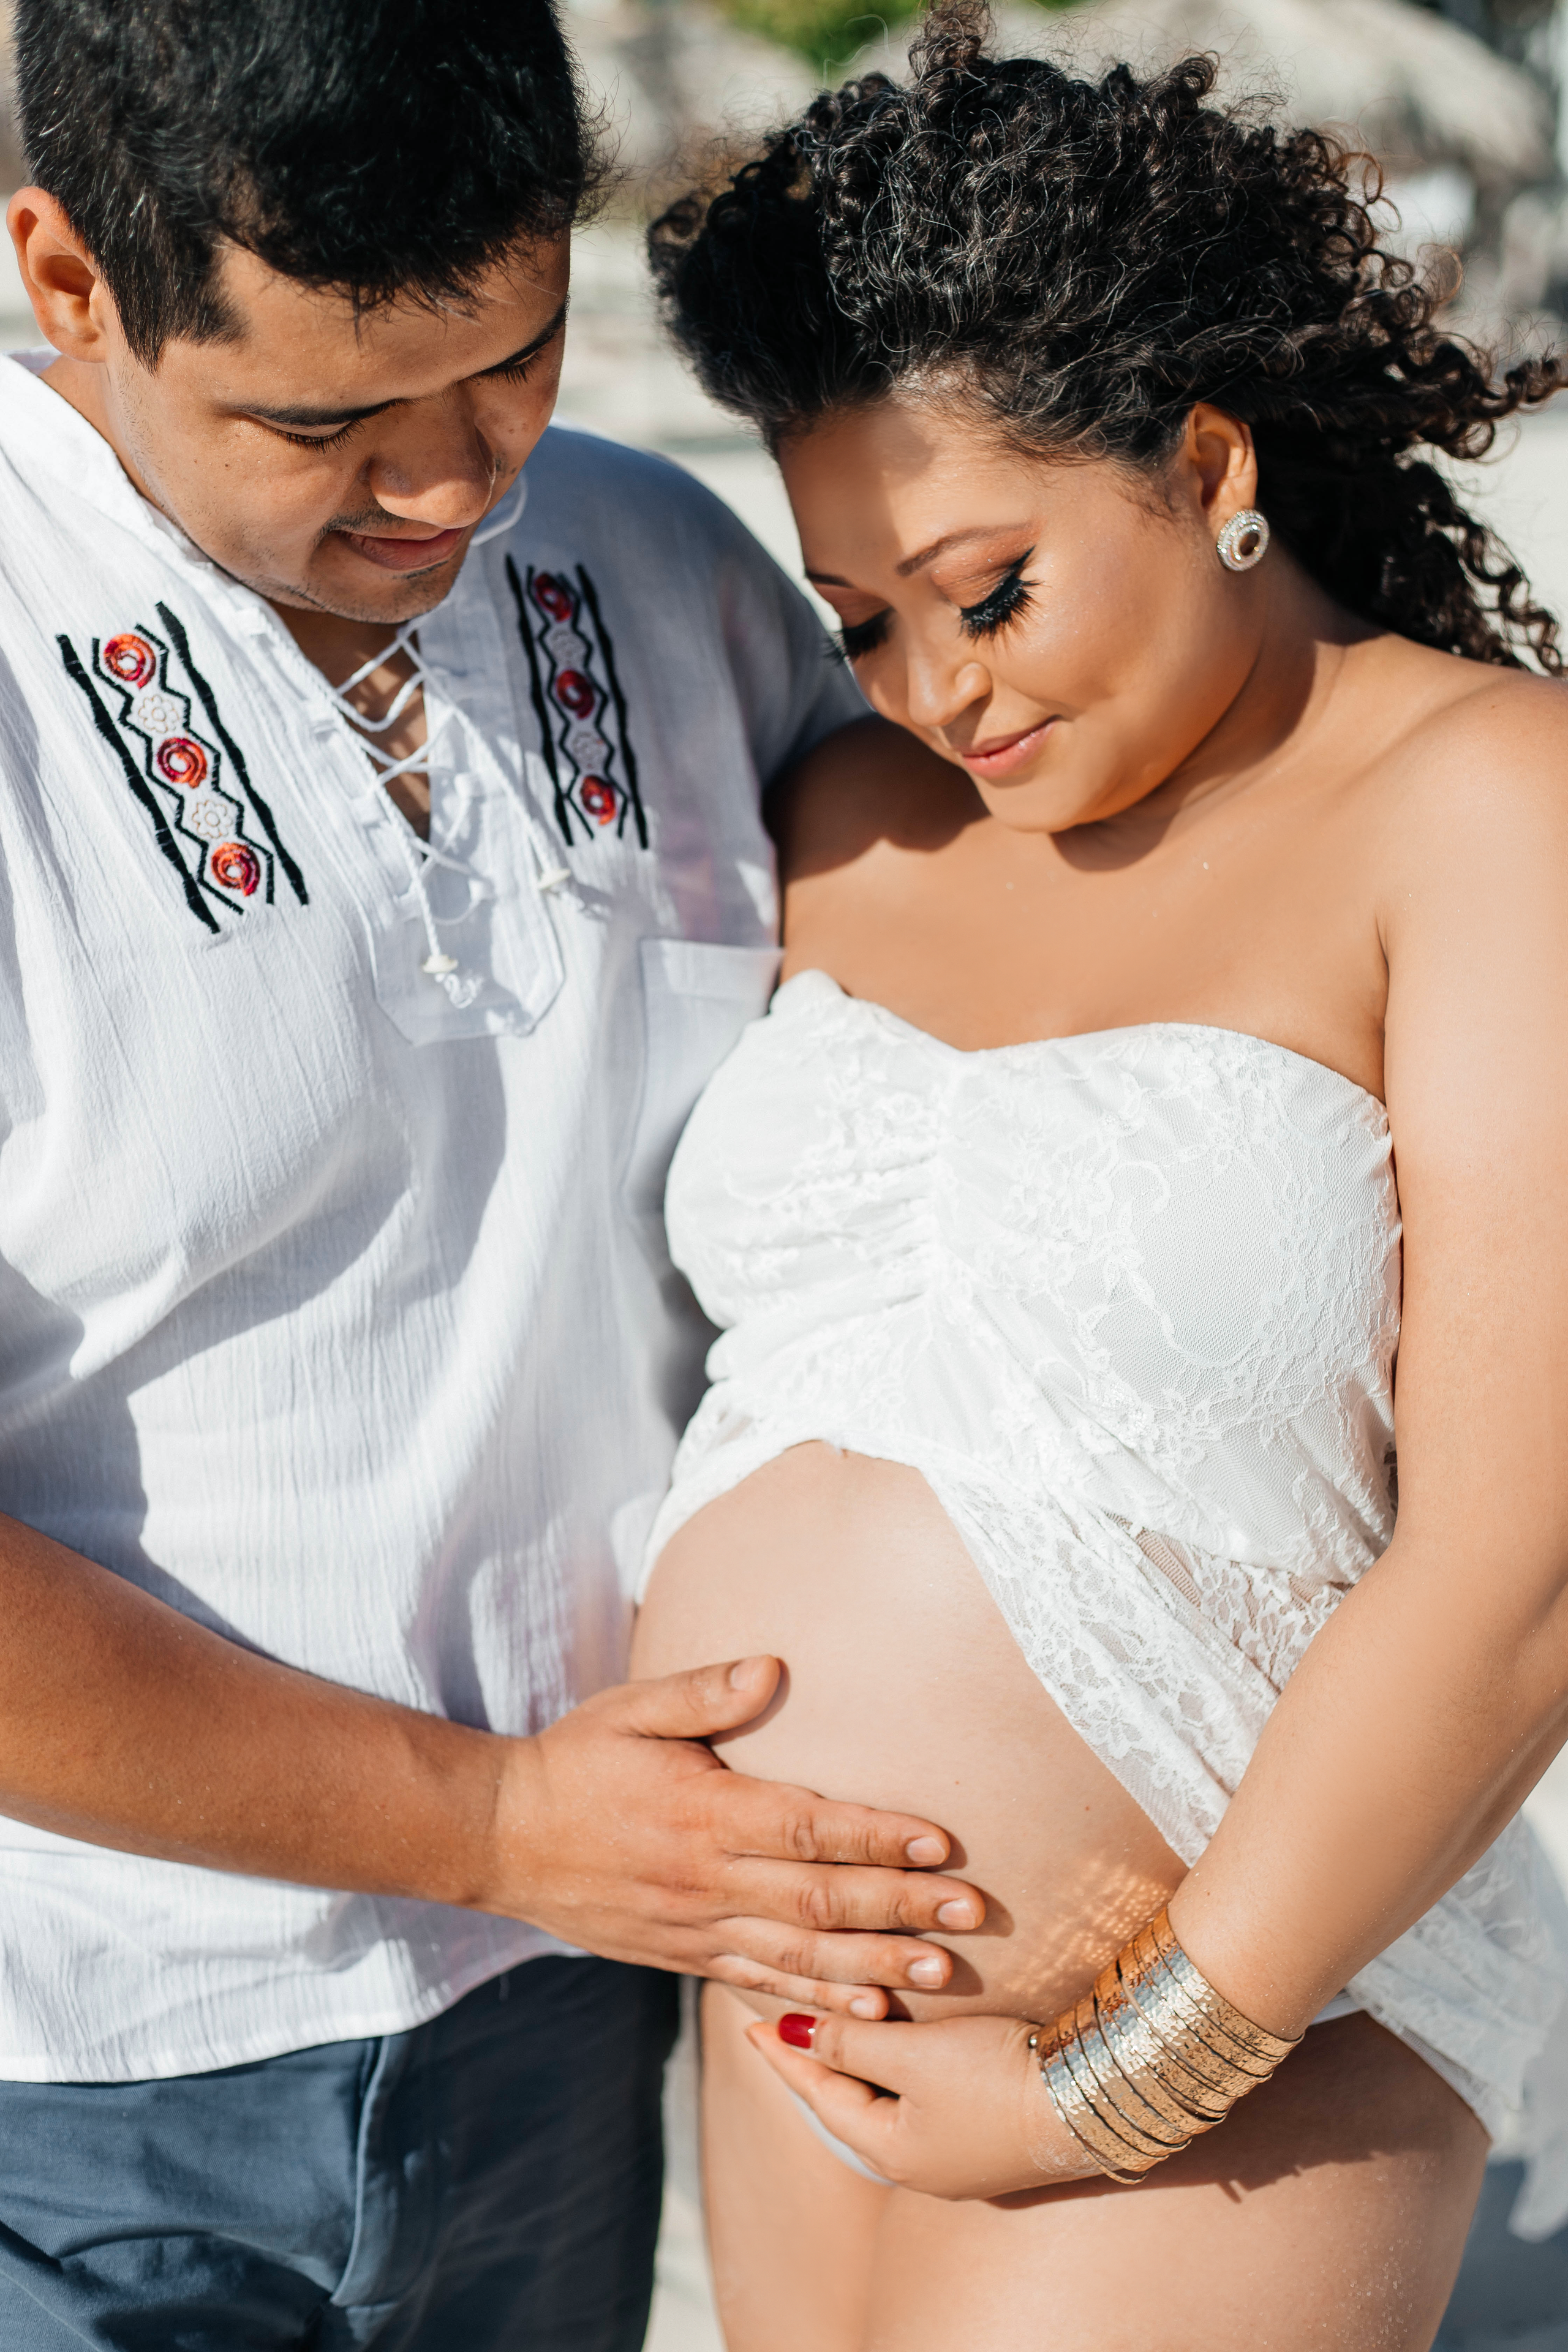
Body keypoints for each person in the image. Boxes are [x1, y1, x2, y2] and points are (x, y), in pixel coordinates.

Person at [0, 1, 995, 2344]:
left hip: (579, 2010)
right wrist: (487, 1822)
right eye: (325, 420)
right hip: (79, 2063)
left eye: (519, 360)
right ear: (65, 281)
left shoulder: (657, 561)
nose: (452, 490)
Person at [630, 12, 1568, 2346]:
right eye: (863, 620)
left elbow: (1524, 1566)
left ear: (1210, 458)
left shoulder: (1484, 807)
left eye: (991, 587)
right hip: (783, 2021)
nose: (938, 688)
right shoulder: (849, 820)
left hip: (1233, 2039)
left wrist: (1123, 2082)